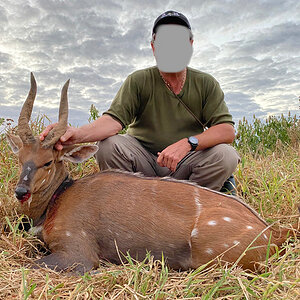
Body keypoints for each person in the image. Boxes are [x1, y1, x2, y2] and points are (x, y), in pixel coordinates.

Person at [40, 10, 240, 192]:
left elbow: (226, 130)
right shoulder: (139, 80)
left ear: (190, 44)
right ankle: (130, 203)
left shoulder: (206, 83)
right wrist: (76, 134)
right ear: (154, 46)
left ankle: (190, 204)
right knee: (109, 146)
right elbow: (112, 122)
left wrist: (188, 143)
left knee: (225, 155)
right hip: (141, 164)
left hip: (184, 163)